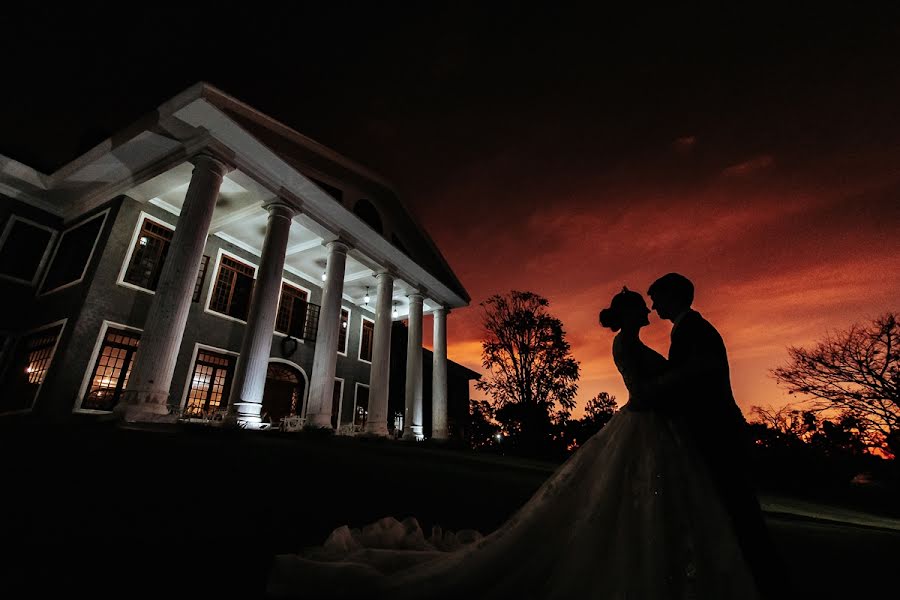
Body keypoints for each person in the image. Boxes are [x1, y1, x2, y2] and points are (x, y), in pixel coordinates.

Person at [268, 288, 761, 599]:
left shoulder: (665, 336)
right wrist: (668, 389)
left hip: (652, 429)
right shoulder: (628, 343)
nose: (651, 309)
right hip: (644, 423)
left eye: (653, 303)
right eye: (645, 305)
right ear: (634, 313)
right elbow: (651, 388)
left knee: (635, 502)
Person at [641, 273, 787, 599]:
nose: (653, 306)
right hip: (713, 432)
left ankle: (765, 583)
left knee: (739, 510)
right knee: (730, 509)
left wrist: (653, 392)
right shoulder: (691, 330)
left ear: (673, 297)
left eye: (657, 298)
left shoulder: (694, 331)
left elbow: (693, 379)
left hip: (718, 434)